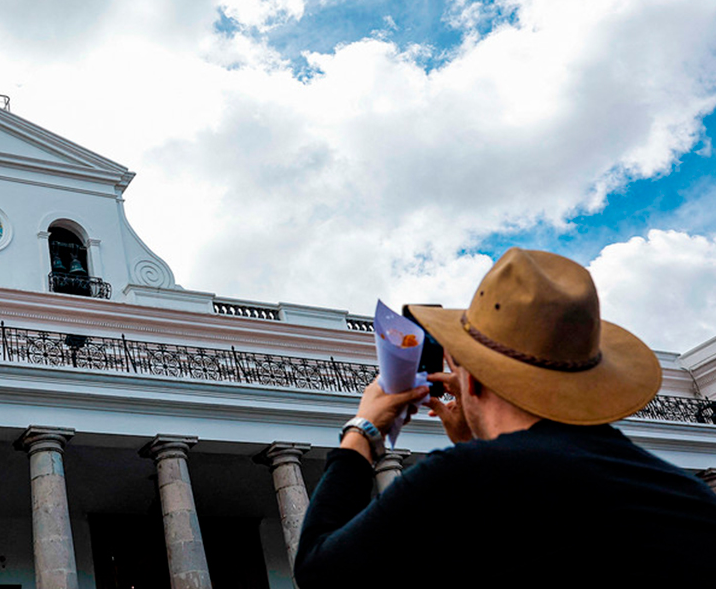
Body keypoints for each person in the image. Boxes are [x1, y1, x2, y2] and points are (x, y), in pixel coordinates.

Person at [293, 248, 716, 588]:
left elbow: (319, 571)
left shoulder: (467, 476)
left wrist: (362, 429)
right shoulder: (687, 494)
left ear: (471, 380)